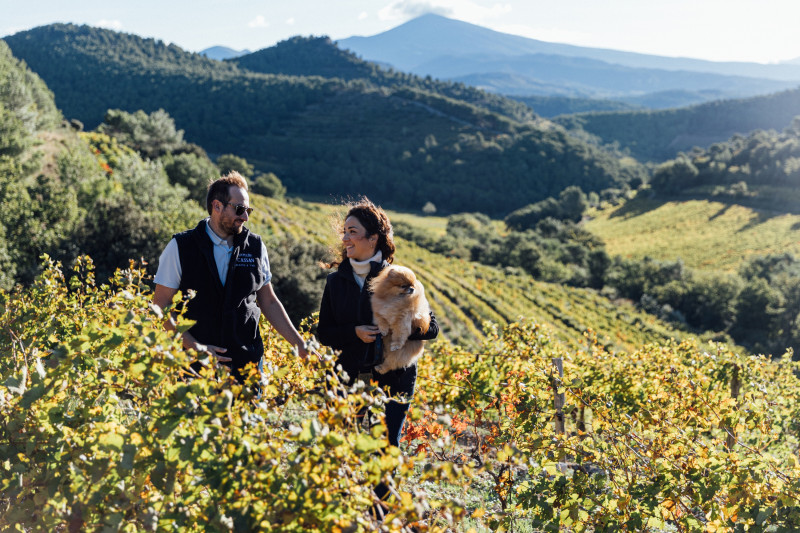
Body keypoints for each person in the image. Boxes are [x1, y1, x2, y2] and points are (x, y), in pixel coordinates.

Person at [317, 198, 438, 505]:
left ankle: (380, 512)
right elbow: (324, 333)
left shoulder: (399, 277)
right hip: (351, 375)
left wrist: (402, 324)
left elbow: (432, 329)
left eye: (352, 231)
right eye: (344, 231)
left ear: (373, 238)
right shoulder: (336, 282)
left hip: (396, 377)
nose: (345, 238)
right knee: (351, 442)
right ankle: (350, 507)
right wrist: (353, 333)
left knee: (387, 445)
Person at [153, 171, 307, 382]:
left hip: (247, 368)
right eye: (240, 209)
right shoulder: (181, 247)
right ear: (217, 206)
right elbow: (160, 307)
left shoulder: (255, 246)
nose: (245, 217)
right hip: (194, 370)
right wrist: (195, 347)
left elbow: (269, 302)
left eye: (248, 210)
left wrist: (300, 344)